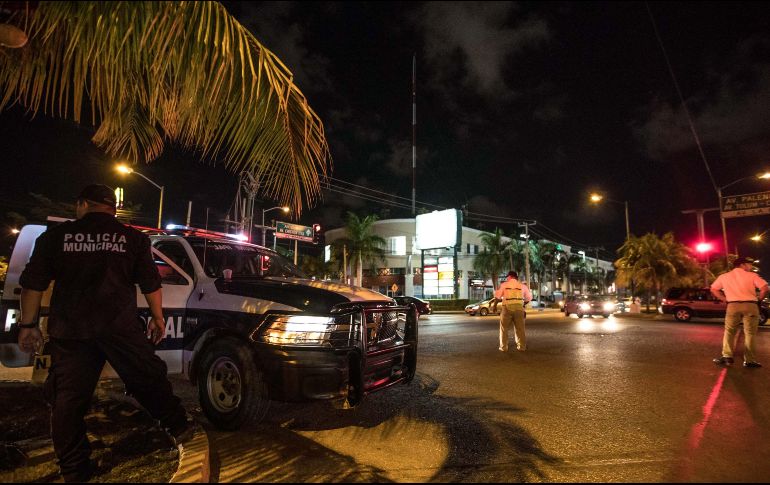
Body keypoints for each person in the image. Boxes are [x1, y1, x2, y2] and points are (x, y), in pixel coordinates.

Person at [16, 184, 192, 482]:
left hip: (72, 331)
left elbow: (33, 285)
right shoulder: (132, 238)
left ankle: (74, 469)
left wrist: (28, 326)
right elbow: (151, 284)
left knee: (68, 402)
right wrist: (157, 318)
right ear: (112, 208)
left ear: (82, 204)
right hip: (119, 327)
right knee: (148, 377)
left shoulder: (57, 237)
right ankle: (177, 425)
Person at [710, 256, 769, 368]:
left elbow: (713, 288)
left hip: (733, 305)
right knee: (750, 333)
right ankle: (749, 361)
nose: (750, 266)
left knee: (730, 331)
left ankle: (727, 357)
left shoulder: (724, 276)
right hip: (750, 305)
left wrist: (724, 299)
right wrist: (759, 299)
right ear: (742, 265)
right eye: (749, 264)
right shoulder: (752, 276)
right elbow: (765, 288)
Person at [495, 270, 532, 352]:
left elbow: (497, 297)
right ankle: (522, 347)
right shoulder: (522, 286)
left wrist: (494, 306)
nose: (507, 279)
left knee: (504, 329)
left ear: (510, 276)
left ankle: (503, 347)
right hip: (519, 308)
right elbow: (529, 298)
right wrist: (522, 304)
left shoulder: (504, 285)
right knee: (520, 329)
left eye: (507, 277)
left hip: (507, 308)